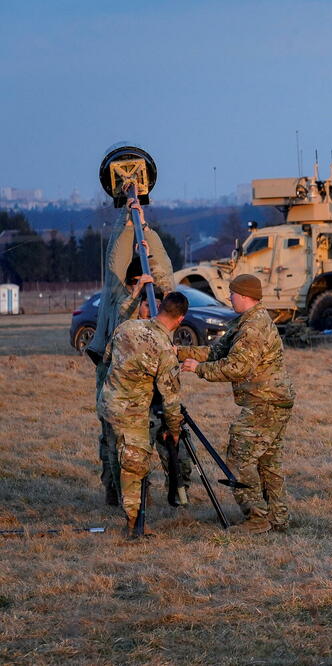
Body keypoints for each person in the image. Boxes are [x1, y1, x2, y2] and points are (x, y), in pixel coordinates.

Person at [178, 274, 295, 534]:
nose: (229, 298)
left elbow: (238, 367)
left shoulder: (253, 327)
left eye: (231, 294)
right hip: (272, 400)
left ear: (243, 295)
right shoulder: (245, 322)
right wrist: (179, 352)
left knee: (239, 459)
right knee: (267, 462)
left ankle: (256, 517)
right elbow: (217, 351)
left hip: (265, 402)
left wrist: (199, 370)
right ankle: (277, 517)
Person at [89, 197, 174, 506]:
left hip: (147, 377)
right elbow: (116, 260)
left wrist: (145, 228)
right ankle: (119, 494)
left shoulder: (159, 301)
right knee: (115, 441)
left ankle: (166, 490)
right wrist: (128, 224)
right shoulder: (118, 296)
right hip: (116, 380)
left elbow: (164, 268)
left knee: (157, 433)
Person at [97, 291, 189, 538]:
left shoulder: (127, 327)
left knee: (118, 455)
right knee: (134, 466)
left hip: (108, 405)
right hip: (131, 413)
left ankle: (121, 503)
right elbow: (170, 400)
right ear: (180, 319)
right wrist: (174, 429)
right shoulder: (164, 349)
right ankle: (134, 524)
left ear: (161, 309)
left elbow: (106, 358)